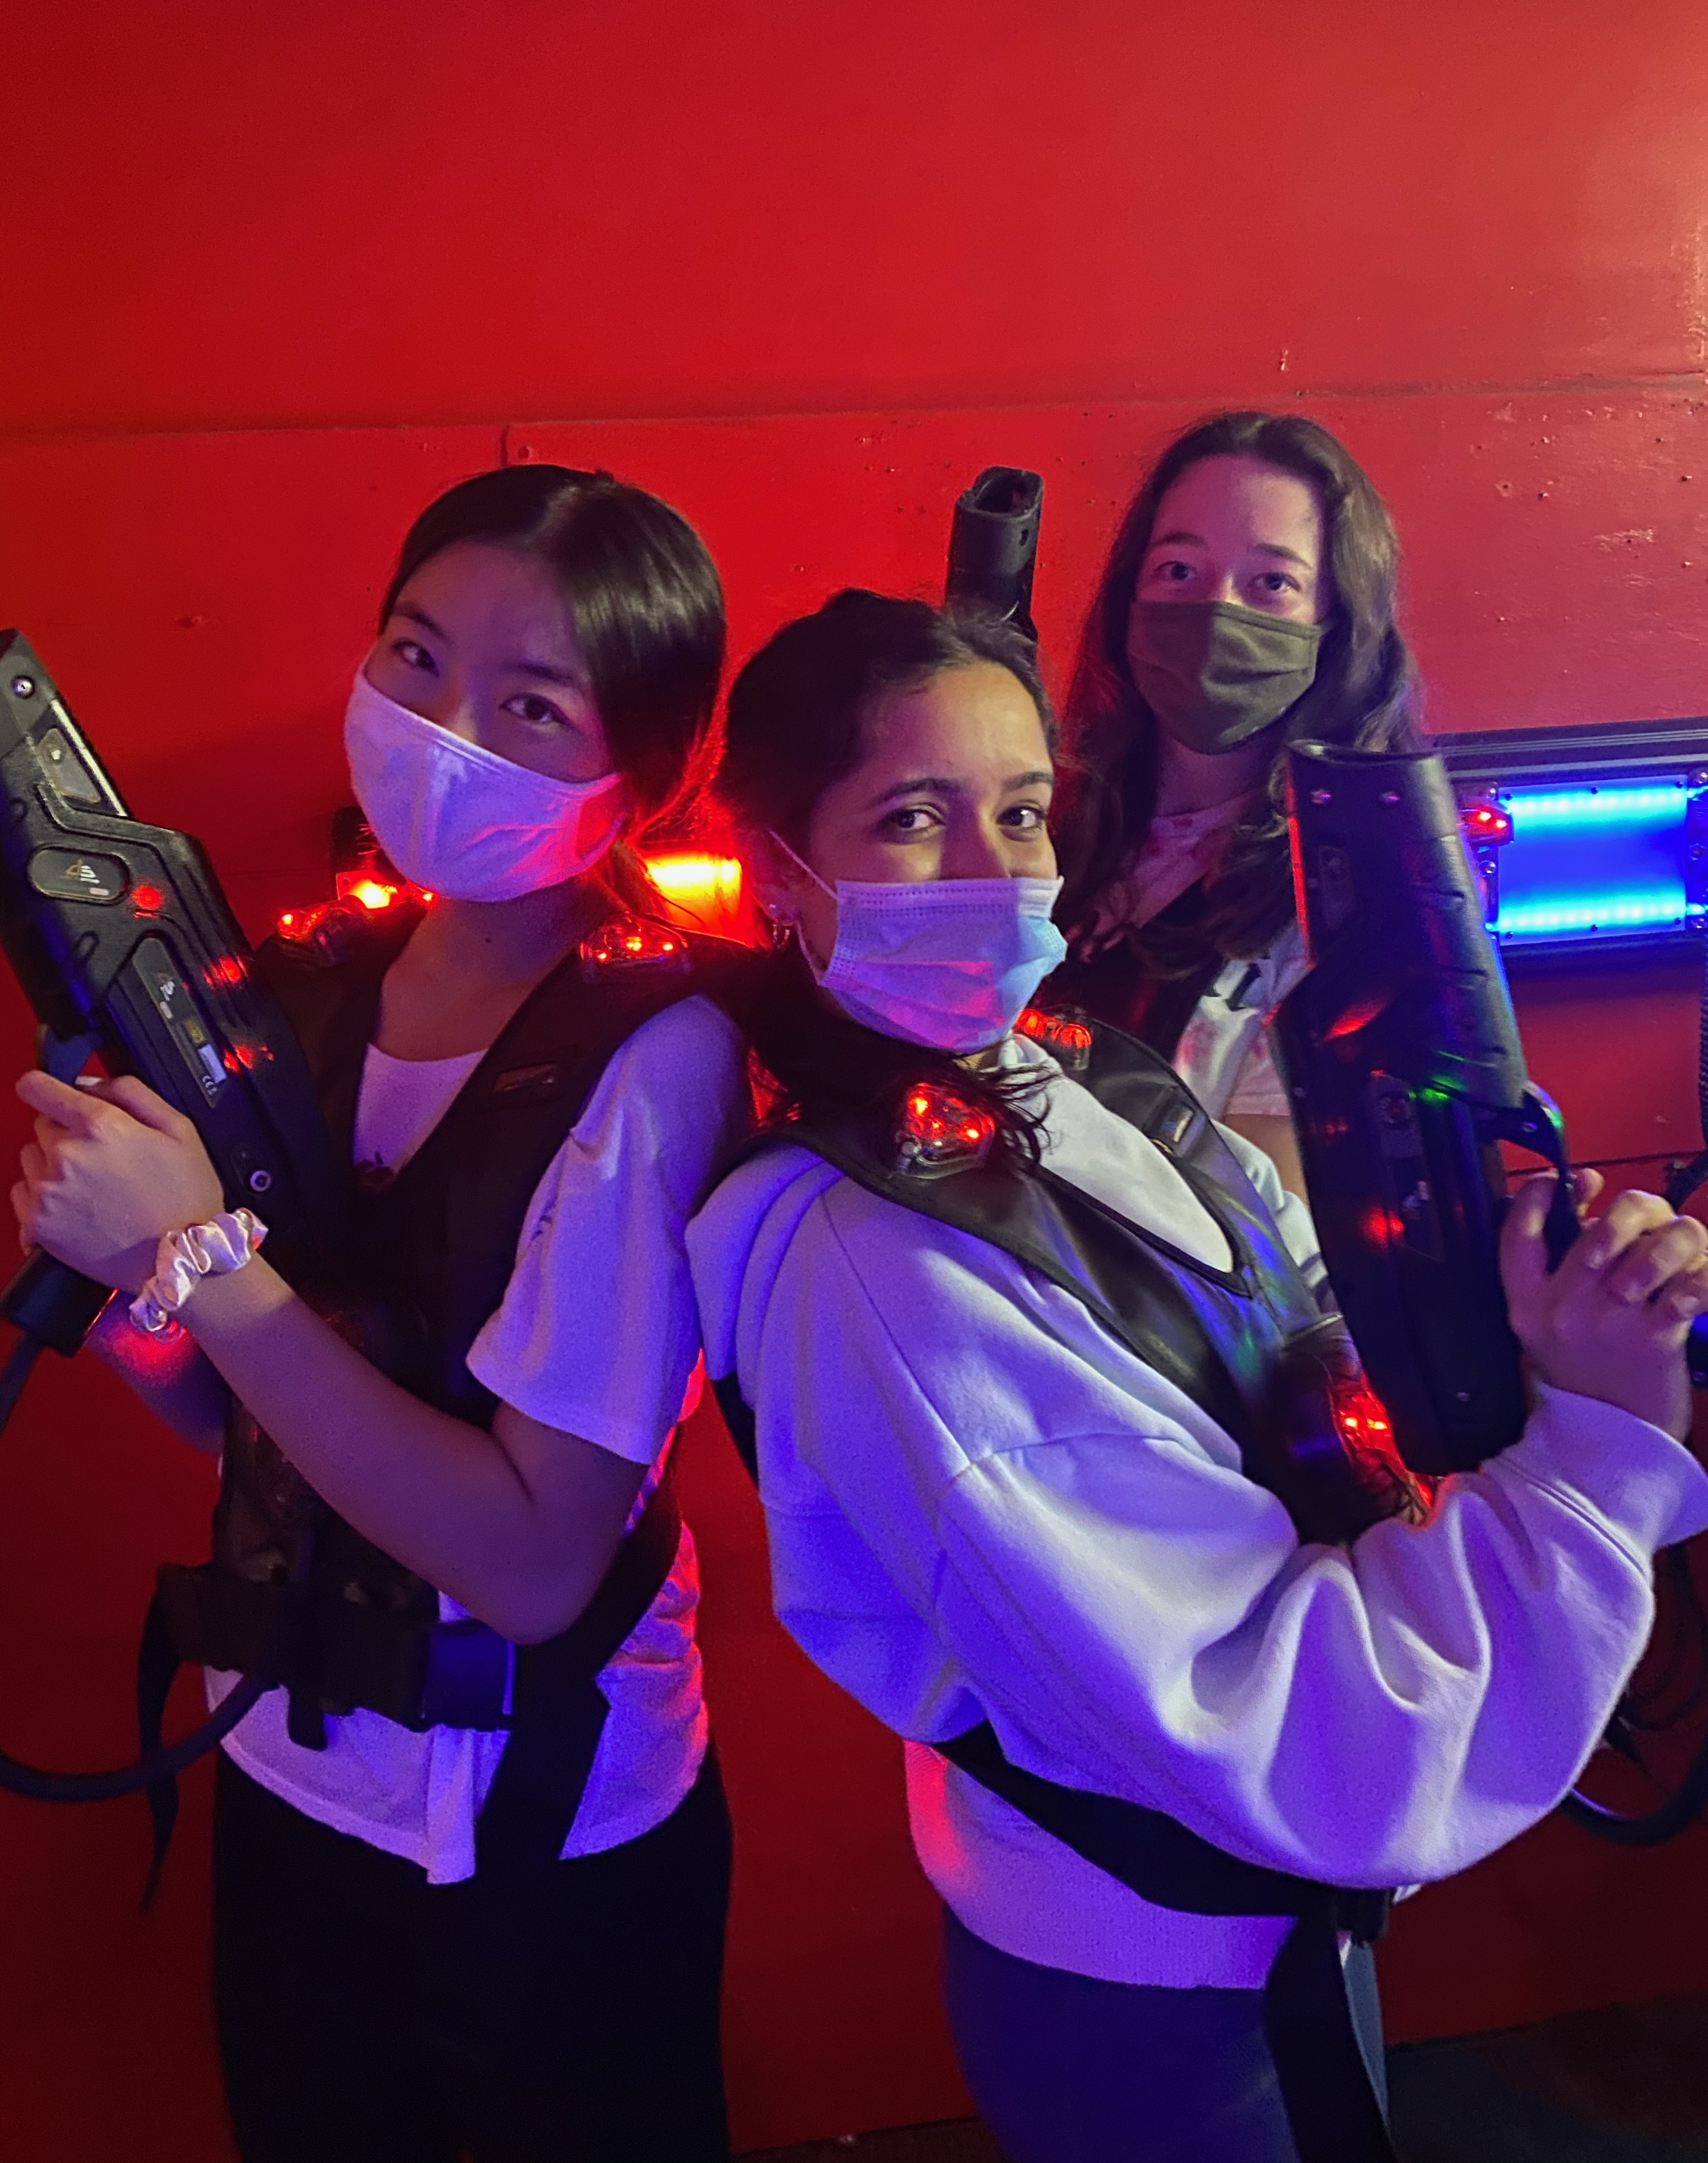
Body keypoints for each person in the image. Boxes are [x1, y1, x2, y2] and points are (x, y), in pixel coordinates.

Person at [686, 586, 1708, 2163]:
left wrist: (1539, 1327)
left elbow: (1299, 1329)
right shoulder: (879, 1261)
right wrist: (1594, 1451)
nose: (992, 872)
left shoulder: (1072, 1076)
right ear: (779, 870)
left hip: (1258, 1935)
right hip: (1151, 1979)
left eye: (1021, 810)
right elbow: (1301, 1729)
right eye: (911, 818)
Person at [11, 465, 748, 2163]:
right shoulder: (313, 990)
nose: (443, 731)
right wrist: (136, 1280)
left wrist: (205, 1262)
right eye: (415, 657)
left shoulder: (655, 1058)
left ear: (648, 770)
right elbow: (242, 1414)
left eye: (531, 703)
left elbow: (534, 1561)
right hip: (287, 1761)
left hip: (539, 1828)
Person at [1049, 410, 1421, 1198]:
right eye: (1179, 570)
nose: (1216, 611)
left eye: (1272, 584)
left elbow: (1256, 1229)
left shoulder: (1346, 907)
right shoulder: (1046, 829)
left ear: (1336, 622)